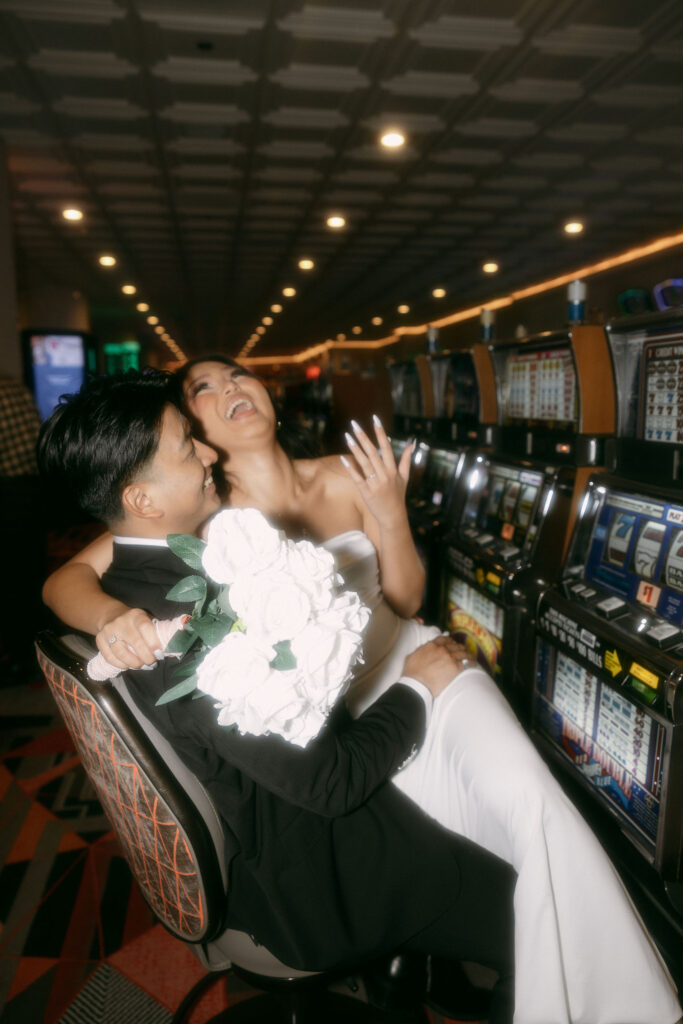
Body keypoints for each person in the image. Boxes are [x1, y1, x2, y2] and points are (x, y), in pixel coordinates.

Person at [43, 359, 683, 1024]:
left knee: (524, 807)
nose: (222, 407)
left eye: (236, 374)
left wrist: (388, 514)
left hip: (356, 717)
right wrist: (107, 618)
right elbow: (329, 781)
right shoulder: (201, 581)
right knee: (545, 911)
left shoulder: (187, 551)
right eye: (193, 413)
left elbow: (397, 603)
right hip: (334, 821)